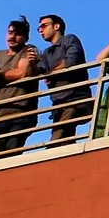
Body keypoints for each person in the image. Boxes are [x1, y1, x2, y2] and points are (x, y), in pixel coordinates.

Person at [0, 19, 44, 157]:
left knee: (13, 150)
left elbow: (21, 73)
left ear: (25, 37)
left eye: (17, 34)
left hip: (21, 111)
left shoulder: (29, 50)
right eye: (10, 33)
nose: (12, 37)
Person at [38, 15, 91, 144]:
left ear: (56, 26)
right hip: (58, 104)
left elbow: (70, 62)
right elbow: (40, 72)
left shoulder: (70, 39)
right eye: (39, 28)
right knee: (65, 139)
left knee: (57, 138)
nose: (40, 30)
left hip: (75, 99)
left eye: (44, 26)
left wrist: (52, 73)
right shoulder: (46, 53)